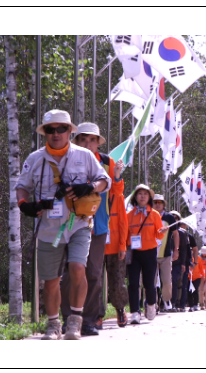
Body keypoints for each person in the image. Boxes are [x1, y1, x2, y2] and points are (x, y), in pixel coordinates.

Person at [15, 110, 111, 340]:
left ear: (70, 131)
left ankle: (75, 322)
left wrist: (89, 187)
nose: (56, 133)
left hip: (78, 223)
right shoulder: (34, 159)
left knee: (78, 268)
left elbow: (104, 181)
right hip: (49, 228)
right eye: (50, 129)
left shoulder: (85, 156)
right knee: (51, 280)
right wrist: (24, 205)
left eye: (61, 129)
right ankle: (52, 324)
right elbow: (22, 187)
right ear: (45, 133)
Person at [60, 122, 125, 335]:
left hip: (98, 226)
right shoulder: (69, 158)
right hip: (72, 222)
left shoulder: (107, 162)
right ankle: (69, 318)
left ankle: (88, 320)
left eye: (92, 140)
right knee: (71, 272)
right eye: (83, 139)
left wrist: (116, 176)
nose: (88, 143)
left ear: (98, 143)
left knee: (94, 273)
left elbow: (116, 191)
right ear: (76, 140)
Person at [126, 184, 166, 324]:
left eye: (145, 194)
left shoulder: (154, 215)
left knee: (149, 283)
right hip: (134, 252)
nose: (142, 196)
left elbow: (159, 235)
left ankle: (150, 305)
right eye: (139, 193)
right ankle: (135, 312)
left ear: (149, 197)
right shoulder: (129, 216)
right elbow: (125, 234)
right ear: (135, 197)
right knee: (133, 283)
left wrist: (162, 232)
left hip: (150, 252)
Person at [152, 194, 180, 312]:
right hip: (150, 254)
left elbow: (175, 234)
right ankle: (152, 303)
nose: (158, 204)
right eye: (155, 202)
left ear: (164, 204)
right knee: (150, 281)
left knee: (167, 281)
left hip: (166, 254)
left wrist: (176, 250)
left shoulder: (169, 217)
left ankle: (166, 300)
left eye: (160, 202)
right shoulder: (149, 215)